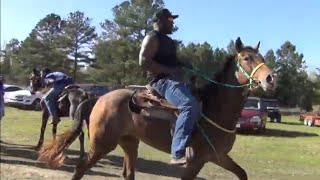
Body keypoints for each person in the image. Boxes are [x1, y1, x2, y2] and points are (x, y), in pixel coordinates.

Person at [138, 8, 199, 166]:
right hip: (160, 82)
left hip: (174, 80)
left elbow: (173, 62)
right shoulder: (152, 38)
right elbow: (144, 62)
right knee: (188, 104)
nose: (173, 24)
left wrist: (187, 66)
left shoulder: (169, 41)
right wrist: (170, 70)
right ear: (160, 21)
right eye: (170, 20)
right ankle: (177, 153)